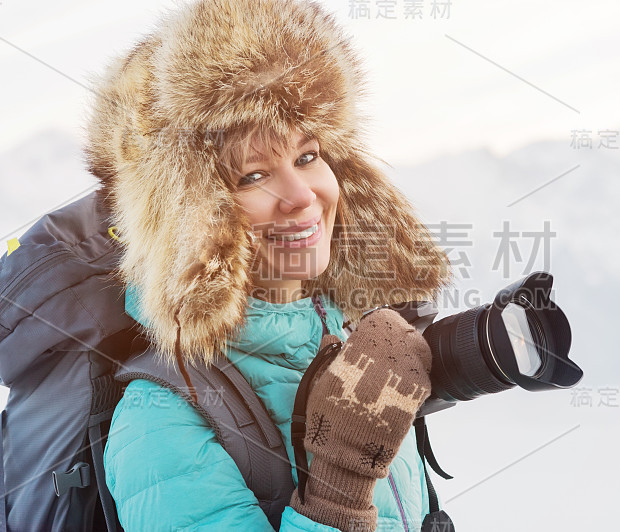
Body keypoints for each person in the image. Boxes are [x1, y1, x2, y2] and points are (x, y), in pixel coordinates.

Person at [83, 0, 453, 530]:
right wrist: (338, 494)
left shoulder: (350, 342)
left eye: (307, 156)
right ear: (191, 218)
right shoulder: (161, 427)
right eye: (252, 176)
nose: (302, 195)